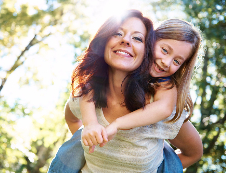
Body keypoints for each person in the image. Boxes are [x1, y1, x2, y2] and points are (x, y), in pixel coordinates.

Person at [48, 10, 203, 173]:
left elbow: (167, 113)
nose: (166, 62)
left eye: (177, 61)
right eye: (164, 50)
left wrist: (117, 125)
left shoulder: (164, 89)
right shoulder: (90, 90)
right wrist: (91, 130)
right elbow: (85, 94)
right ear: (150, 43)